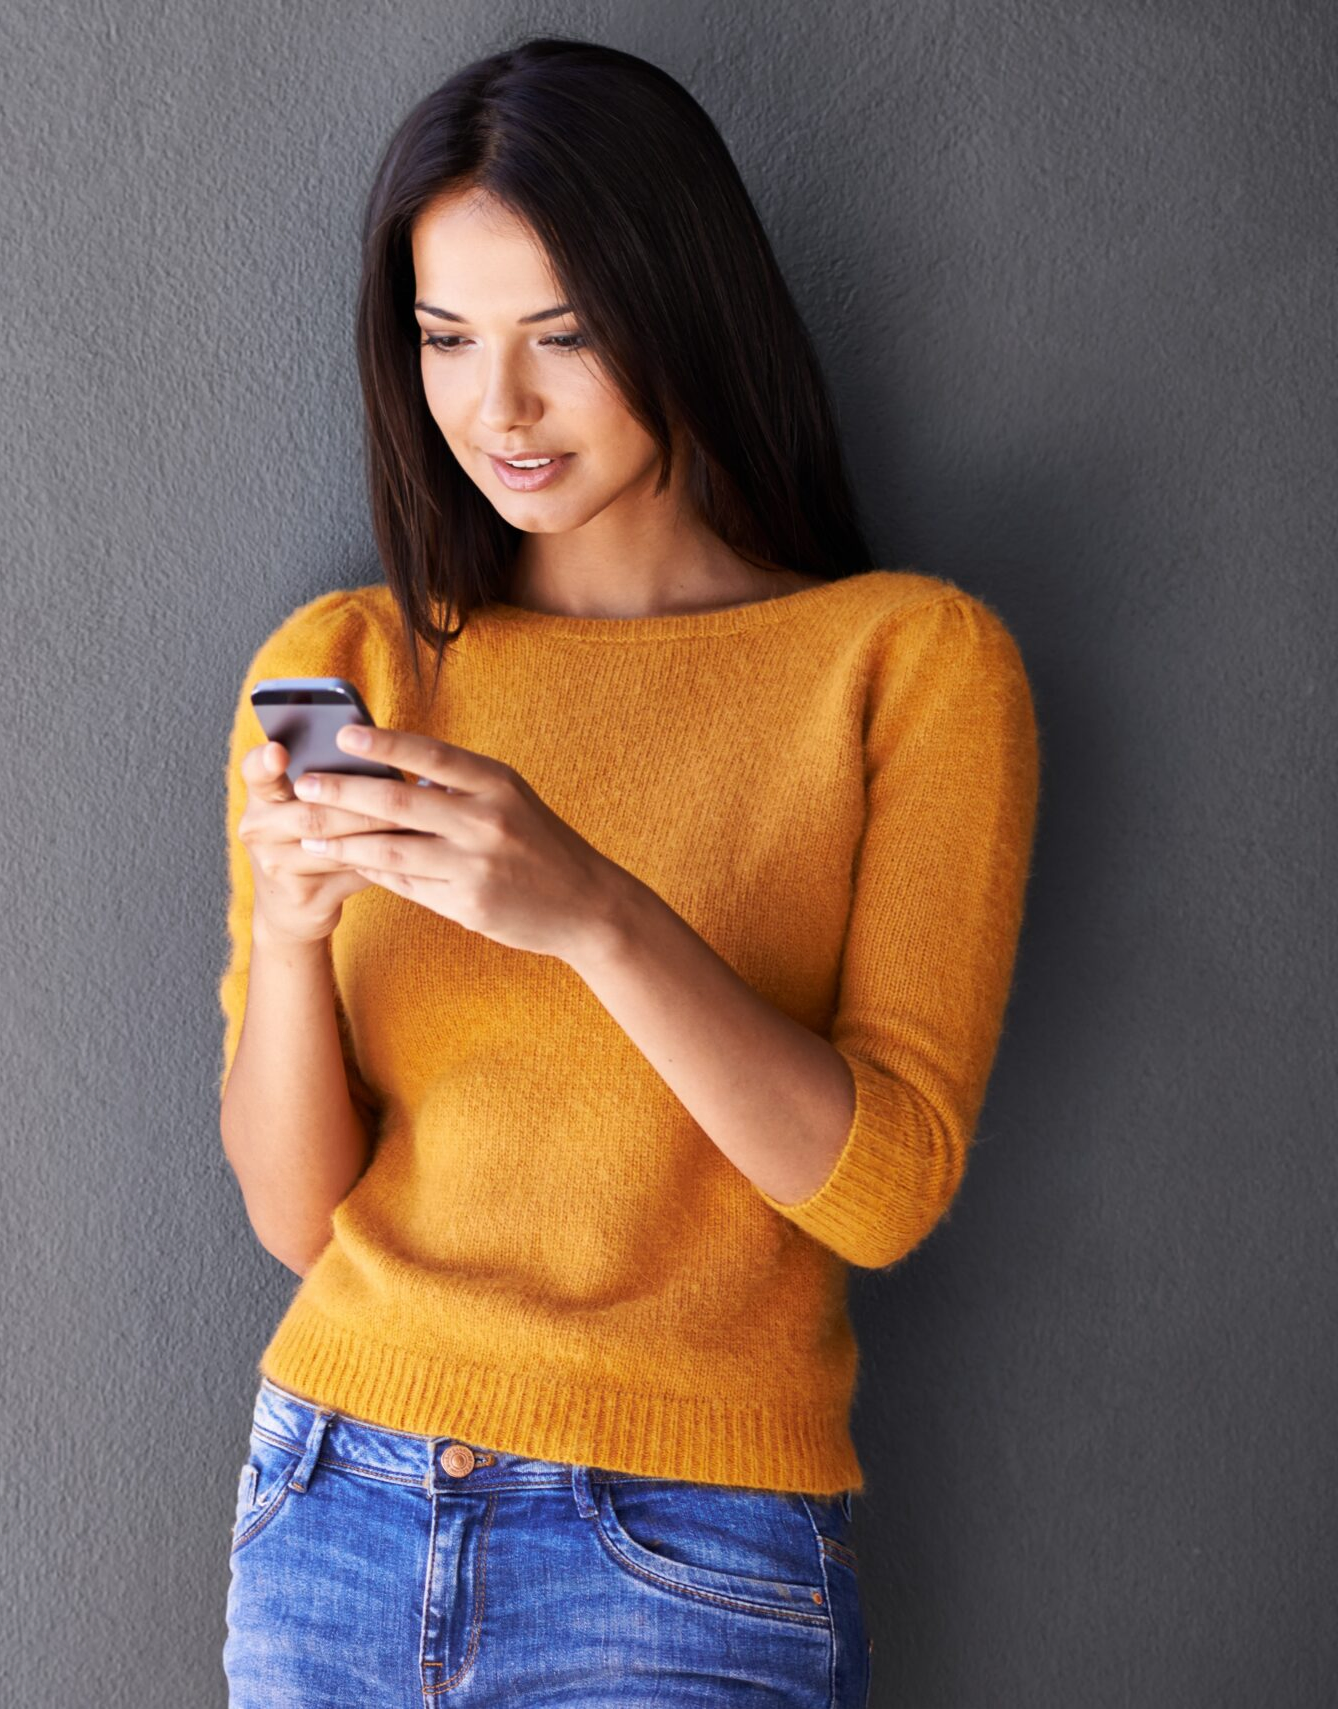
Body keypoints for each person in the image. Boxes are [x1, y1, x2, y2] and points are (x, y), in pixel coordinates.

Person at [216, 37, 1039, 1708]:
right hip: (331, 1506)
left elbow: (882, 1192)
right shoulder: (348, 660)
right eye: (446, 340)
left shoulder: (905, 666)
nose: (495, 410)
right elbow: (300, 1218)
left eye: (564, 339)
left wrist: (589, 910)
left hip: (685, 1552)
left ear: (685, 309)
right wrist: (297, 944)